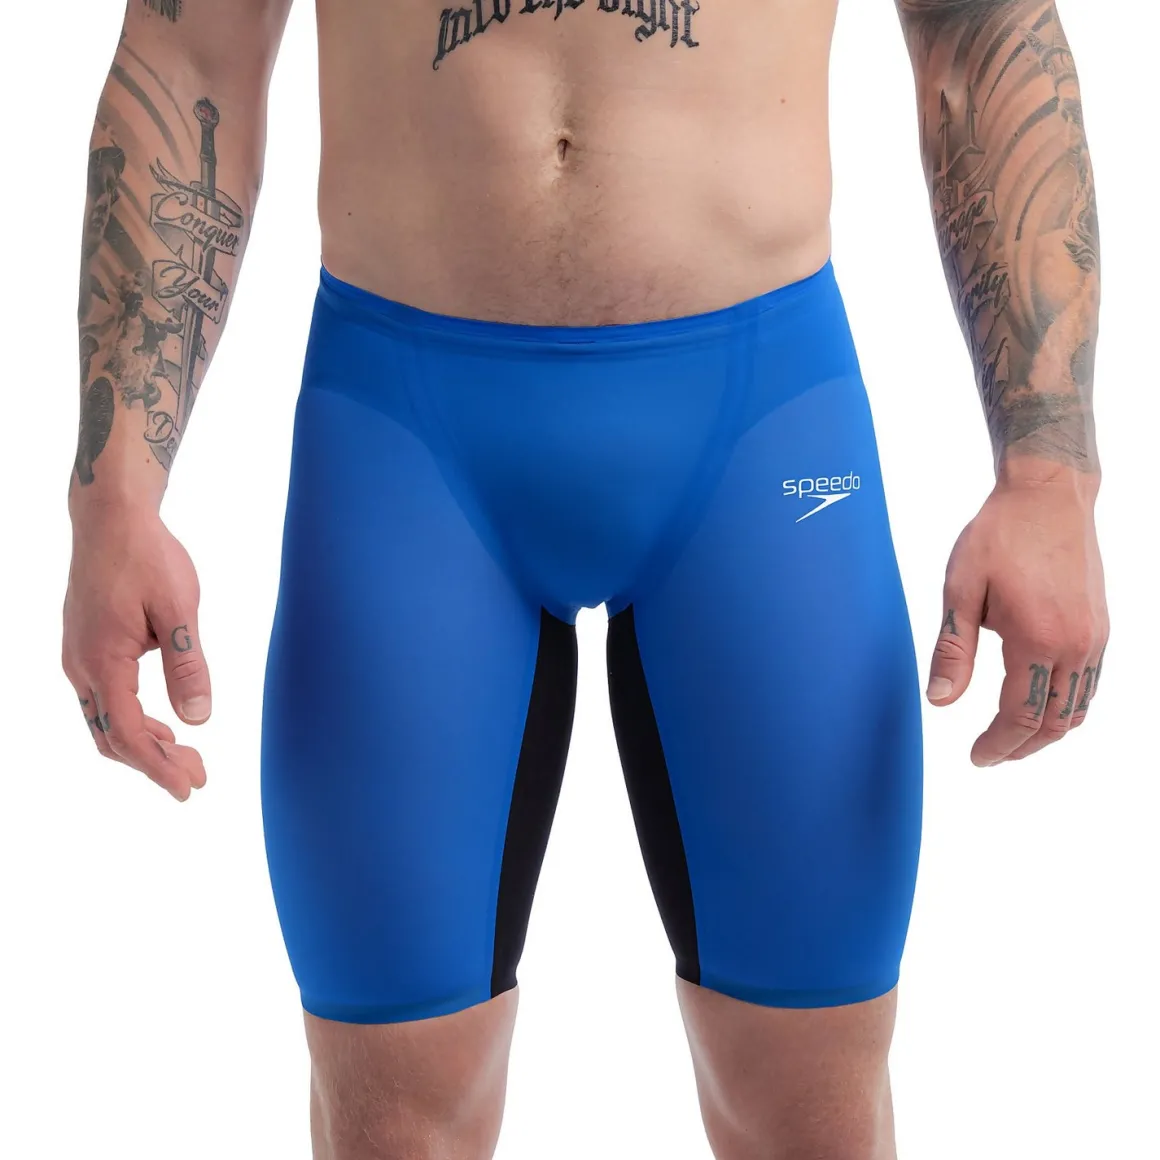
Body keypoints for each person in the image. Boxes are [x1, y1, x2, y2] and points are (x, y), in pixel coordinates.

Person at [61, 1, 1108, 1156]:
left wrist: (1047, 474)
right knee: (390, 1117)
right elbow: (188, 52)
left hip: (759, 428)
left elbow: (979, 35)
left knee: (813, 1115)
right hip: (405, 441)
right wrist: (116, 497)